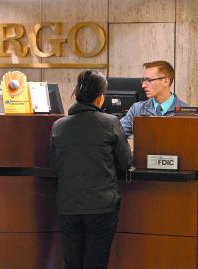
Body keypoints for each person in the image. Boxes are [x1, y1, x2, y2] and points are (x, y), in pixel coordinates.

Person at [49, 70, 132, 269]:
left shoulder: (58, 126)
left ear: (76, 93)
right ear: (101, 97)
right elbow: (125, 162)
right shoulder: (110, 123)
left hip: (68, 206)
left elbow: (54, 166)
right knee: (95, 263)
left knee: (72, 264)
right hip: (101, 206)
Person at [120, 60, 188, 137]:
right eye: (143, 80)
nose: (143, 85)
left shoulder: (187, 112)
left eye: (148, 80)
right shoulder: (137, 109)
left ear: (166, 81)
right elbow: (116, 134)